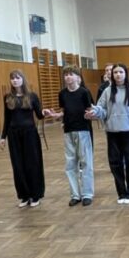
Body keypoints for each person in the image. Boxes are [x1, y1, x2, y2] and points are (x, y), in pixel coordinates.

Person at [86, 64, 129, 204]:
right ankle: (121, 193)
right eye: (115, 72)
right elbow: (102, 109)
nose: (118, 75)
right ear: (112, 75)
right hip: (112, 133)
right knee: (115, 164)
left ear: (125, 74)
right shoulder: (107, 91)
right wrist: (95, 112)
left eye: (120, 72)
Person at [44, 67, 94, 207]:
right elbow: (64, 112)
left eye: (71, 74)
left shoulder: (84, 92)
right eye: (66, 75)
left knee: (86, 163)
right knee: (70, 164)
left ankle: (87, 194)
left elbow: (89, 110)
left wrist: (91, 114)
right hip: (68, 131)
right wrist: (56, 115)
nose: (68, 77)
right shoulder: (62, 94)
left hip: (83, 130)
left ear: (77, 77)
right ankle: (75, 195)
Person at [0, 70, 45, 207]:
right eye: (12, 78)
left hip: (30, 134)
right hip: (14, 135)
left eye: (17, 78)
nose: (15, 80)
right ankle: (24, 196)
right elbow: (7, 119)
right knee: (18, 165)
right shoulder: (8, 97)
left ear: (22, 79)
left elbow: (39, 115)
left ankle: (35, 195)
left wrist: (45, 112)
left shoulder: (32, 96)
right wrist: (3, 137)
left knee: (33, 164)